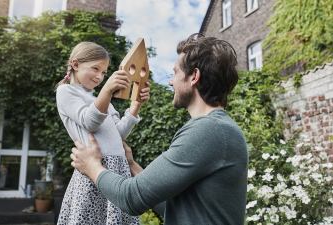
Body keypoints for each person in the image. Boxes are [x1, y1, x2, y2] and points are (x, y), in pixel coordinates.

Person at [70, 34, 249, 224]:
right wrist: (131, 165)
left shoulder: (209, 130)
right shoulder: (217, 129)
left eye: (175, 73)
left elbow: (130, 198)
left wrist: (91, 167)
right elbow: (176, 207)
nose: (171, 82)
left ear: (194, 77)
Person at [56, 42, 150, 224]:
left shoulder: (103, 101)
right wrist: (107, 90)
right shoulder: (65, 91)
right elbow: (89, 122)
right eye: (95, 69)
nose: (100, 77)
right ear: (75, 65)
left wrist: (135, 106)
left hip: (118, 168)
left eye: (104, 73)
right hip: (95, 169)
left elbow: (119, 134)